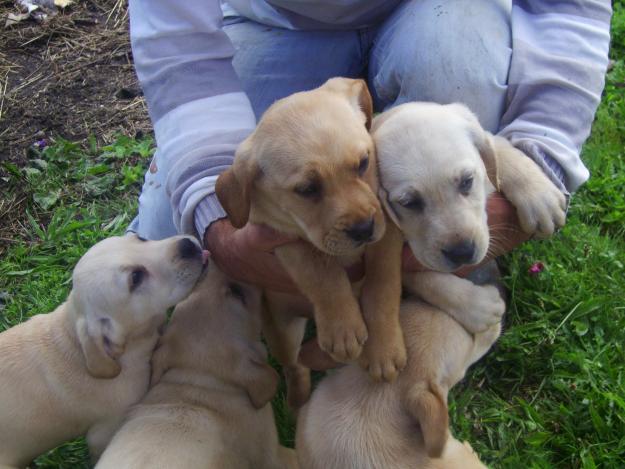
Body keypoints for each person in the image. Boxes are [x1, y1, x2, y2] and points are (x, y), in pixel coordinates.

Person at [126, 0, 612, 364]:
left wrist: (541, 153)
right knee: (172, 228)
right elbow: (177, 47)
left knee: (458, 72)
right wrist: (214, 220)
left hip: (440, 9)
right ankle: (417, 266)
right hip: (276, 19)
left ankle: (435, 273)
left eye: (365, 166)